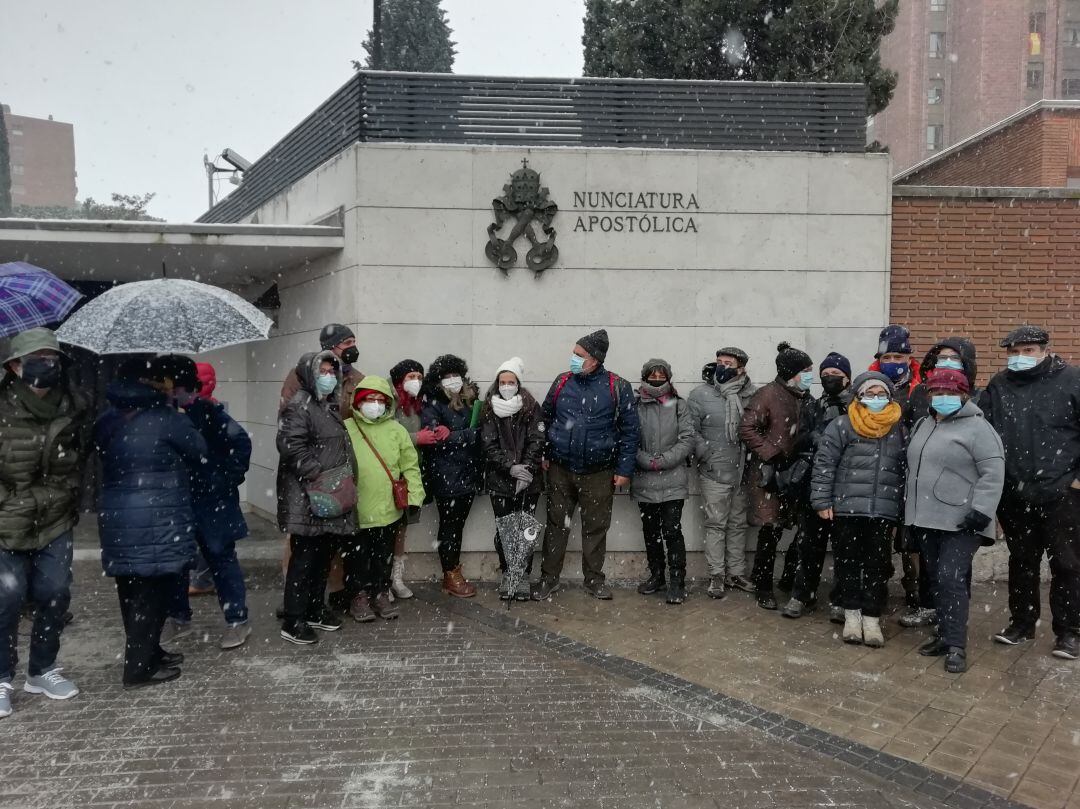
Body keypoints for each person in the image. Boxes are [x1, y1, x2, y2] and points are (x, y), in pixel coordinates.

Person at [95, 358, 207, 687]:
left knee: (131, 590)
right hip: (159, 517)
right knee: (153, 594)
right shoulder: (168, 419)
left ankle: (149, 651)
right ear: (154, 383)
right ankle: (139, 669)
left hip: (117, 515)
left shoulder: (106, 419)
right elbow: (199, 454)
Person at [0, 329, 90, 717]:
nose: (46, 365)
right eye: (37, 359)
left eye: (52, 358)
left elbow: (79, 459)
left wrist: (67, 493)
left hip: (54, 518)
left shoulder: (72, 405)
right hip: (7, 519)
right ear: (15, 366)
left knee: (55, 593)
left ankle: (42, 669)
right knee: (8, 597)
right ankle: (2, 676)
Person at [983, 325, 1080, 660]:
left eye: (1027, 351)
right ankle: (1022, 623)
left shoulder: (1071, 380)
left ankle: (1068, 632)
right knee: (1021, 561)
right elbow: (985, 434)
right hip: (1015, 493)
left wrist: (1076, 480)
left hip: (1061, 493)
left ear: (1044, 350)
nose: (1020, 357)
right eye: (1013, 351)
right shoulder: (999, 385)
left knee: (1067, 565)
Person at [907, 368, 1005, 673]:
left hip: (963, 521)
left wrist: (982, 510)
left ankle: (956, 647)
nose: (943, 398)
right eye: (937, 392)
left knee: (951, 578)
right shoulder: (923, 423)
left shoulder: (979, 429)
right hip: (926, 517)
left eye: (950, 393)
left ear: (964, 395)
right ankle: (944, 634)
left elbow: (993, 471)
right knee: (938, 578)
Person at [156, 357, 253, 651]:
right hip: (176, 500)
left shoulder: (209, 413)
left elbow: (241, 444)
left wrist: (224, 479)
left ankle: (237, 620)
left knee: (221, 559)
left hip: (213, 502)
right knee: (176, 562)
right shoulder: (161, 416)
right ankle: (178, 618)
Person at [535, 330, 640, 601]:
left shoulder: (618, 386)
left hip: (599, 472)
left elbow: (630, 432)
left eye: (579, 355)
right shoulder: (562, 381)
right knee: (557, 526)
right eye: (574, 353)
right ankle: (549, 579)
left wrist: (624, 470)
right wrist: (545, 452)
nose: (573, 358)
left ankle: (594, 580)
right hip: (560, 469)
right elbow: (544, 419)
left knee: (595, 528)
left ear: (594, 359)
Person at [810, 372, 906, 647]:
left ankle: (872, 618)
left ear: (889, 396)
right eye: (869, 393)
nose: (875, 399)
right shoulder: (842, 425)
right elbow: (824, 464)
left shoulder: (899, 428)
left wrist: (901, 506)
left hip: (883, 510)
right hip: (847, 509)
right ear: (858, 396)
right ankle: (852, 616)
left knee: (877, 566)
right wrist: (822, 500)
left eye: (881, 394)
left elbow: (904, 470)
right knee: (847, 564)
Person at [279, 324, 364, 611]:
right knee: (304, 557)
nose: (328, 377)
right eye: (323, 372)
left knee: (322, 556)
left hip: (331, 493)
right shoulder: (300, 404)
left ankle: (316, 609)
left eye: (332, 373)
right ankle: (295, 616)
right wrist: (317, 475)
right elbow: (292, 445)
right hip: (309, 494)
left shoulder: (328, 405)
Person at [898, 336, 980, 630]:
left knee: (955, 565)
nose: (946, 363)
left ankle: (955, 618)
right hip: (923, 490)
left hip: (958, 496)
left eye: (953, 358)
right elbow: (907, 430)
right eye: (941, 357)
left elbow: (987, 456)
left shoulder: (977, 396)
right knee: (927, 557)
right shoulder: (921, 392)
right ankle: (929, 606)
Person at [342, 377, 425, 622]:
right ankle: (357, 597)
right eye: (370, 399)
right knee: (356, 557)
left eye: (380, 400)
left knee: (383, 556)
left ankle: (380, 593)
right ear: (358, 401)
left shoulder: (397, 430)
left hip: (388, 509)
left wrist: (414, 495)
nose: (375, 405)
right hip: (356, 509)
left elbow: (410, 466)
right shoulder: (346, 428)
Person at [739, 342, 814, 611]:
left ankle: (789, 579)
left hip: (796, 474)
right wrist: (773, 453)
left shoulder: (805, 396)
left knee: (800, 528)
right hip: (768, 475)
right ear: (791, 372)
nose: (810, 375)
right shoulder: (767, 395)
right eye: (806, 370)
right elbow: (747, 429)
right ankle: (763, 586)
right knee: (770, 531)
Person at [784, 351, 852, 620]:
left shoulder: (856, 407)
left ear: (847, 378)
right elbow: (798, 439)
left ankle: (841, 600)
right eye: (825, 375)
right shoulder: (812, 405)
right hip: (814, 486)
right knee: (809, 545)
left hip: (846, 487)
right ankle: (802, 595)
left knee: (844, 548)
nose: (829, 379)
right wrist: (815, 437)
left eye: (836, 375)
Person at [687, 347, 756, 599]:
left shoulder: (751, 394)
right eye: (719, 362)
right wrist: (706, 454)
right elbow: (690, 430)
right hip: (714, 472)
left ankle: (735, 573)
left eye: (728, 363)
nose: (722, 367)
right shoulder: (700, 394)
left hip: (742, 473)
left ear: (741, 368)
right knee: (716, 525)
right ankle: (716, 575)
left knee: (738, 524)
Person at [868, 325, 924, 623]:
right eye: (887, 356)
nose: (893, 361)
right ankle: (877, 589)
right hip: (878, 473)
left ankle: (914, 592)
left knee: (910, 540)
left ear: (908, 358)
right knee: (877, 538)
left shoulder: (920, 388)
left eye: (898, 356)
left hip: (911, 475)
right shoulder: (869, 386)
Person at [479, 357, 545, 601]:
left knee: (525, 530)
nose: (507, 385)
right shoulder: (489, 409)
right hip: (500, 481)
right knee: (505, 531)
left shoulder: (530, 406)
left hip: (529, 482)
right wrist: (510, 468)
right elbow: (488, 444)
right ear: (497, 383)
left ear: (518, 383)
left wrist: (525, 470)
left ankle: (523, 575)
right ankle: (508, 573)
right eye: (503, 381)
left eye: (511, 381)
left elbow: (537, 440)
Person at [632, 359, 694, 604]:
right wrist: (646, 460)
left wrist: (664, 460)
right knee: (651, 532)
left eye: (661, 374)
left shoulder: (679, 405)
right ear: (645, 376)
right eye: (652, 374)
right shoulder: (635, 406)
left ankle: (677, 582)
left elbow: (687, 438)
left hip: (673, 481)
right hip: (644, 480)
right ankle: (657, 575)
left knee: (672, 531)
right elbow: (628, 438)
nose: (657, 378)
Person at [420, 354, 481, 598]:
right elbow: (434, 438)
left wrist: (456, 435)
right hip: (446, 475)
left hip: (468, 473)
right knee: (450, 526)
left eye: (455, 375)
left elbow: (480, 433)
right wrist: (465, 435)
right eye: (446, 377)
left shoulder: (471, 399)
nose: (452, 380)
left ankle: (453, 570)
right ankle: (450, 574)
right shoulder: (432, 403)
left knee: (458, 525)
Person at [388, 359, 431, 600]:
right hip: (390, 473)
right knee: (387, 528)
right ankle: (383, 580)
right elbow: (387, 432)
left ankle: (397, 577)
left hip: (409, 473)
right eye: (410, 376)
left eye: (419, 376)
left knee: (401, 529)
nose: (415, 381)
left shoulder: (416, 403)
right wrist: (417, 438)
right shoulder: (388, 401)